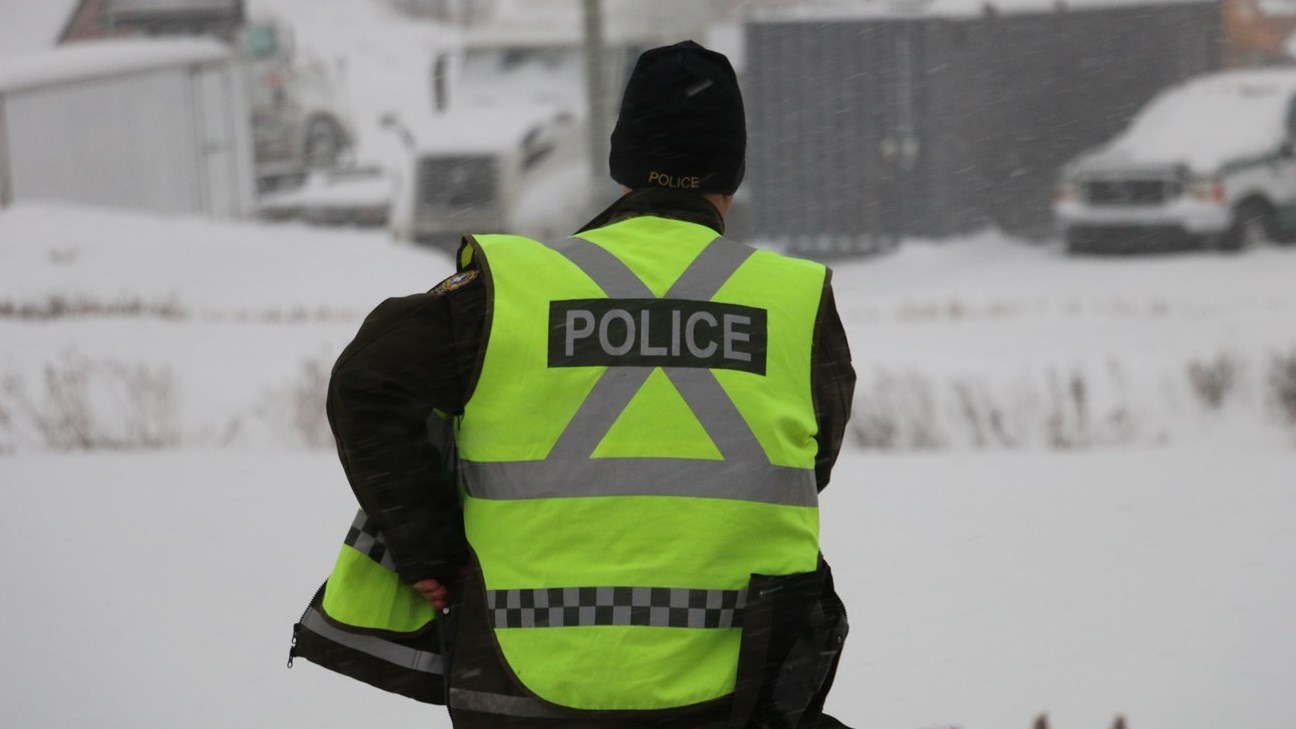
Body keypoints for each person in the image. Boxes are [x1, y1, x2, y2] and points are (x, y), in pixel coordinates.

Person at [292, 41, 856, 728]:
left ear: (623, 166)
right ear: (732, 174)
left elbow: (366, 382)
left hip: (518, 680)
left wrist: (430, 543)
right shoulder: (793, 300)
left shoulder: (511, 290)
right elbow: (807, 464)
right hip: (736, 687)